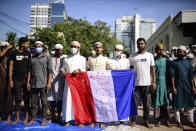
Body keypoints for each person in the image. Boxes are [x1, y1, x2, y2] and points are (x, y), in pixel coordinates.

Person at [129, 38, 156, 128]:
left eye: (142, 44)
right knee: (135, 104)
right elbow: (131, 70)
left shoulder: (149, 55)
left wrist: (154, 82)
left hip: (147, 83)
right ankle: (134, 121)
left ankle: (146, 121)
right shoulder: (133, 56)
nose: (140, 45)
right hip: (136, 84)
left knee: (146, 105)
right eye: (139, 44)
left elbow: (152, 70)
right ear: (136, 45)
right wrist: (131, 83)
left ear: (145, 44)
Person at [87, 42, 115, 128]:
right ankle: (93, 121)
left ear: (102, 49)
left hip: (102, 84)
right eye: (96, 47)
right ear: (94, 49)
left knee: (101, 103)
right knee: (92, 103)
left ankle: (101, 121)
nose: (98, 49)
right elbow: (87, 69)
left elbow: (113, 68)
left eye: (99, 47)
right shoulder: (90, 58)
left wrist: (125, 71)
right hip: (92, 84)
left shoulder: (105, 59)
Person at [60, 41, 86, 127]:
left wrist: (78, 69)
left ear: (79, 48)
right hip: (68, 82)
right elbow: (63, 68)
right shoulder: (66, 58)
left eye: (75, 46)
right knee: (68, 100)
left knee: (79, 100)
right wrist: (62, 70)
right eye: (71, 46)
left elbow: (84, 69)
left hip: (78, 82)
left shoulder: (82, 58)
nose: (73, 48)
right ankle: (68, 119)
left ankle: (80, 120)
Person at [27, 41, 53, 126]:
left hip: (44, 83)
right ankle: (33, 118)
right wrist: (28, 82)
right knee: (33, 102)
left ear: (42, 47)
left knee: (44, 102)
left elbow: (50, 71)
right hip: (34, 83)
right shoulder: (32, 58)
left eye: (39, 46)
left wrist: (49, 83)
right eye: (36, 46)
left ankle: (44, 119)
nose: (37, 48)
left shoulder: (47, 57)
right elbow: (29, 71)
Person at [170, 45, 196, 129]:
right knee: (177, 105)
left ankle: (191, 121)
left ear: (185, 53)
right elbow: (172, 76)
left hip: (187, 86)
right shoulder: (174, 63)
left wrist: (193, 87)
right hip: (177, 86)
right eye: (178, 51)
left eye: (180, 51)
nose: (179, 53)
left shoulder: (188, 63)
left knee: (190, 104)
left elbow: (191, 76)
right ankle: (178, 122)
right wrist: (173, 87)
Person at [9, 37, 31, 125]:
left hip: (26, 80)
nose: (28, 44)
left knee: (26, 99)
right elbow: (10, 67)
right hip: (16, 80)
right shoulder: (13, 53)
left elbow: (29, 68)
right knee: (17, 99)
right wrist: (10, 80)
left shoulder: (28, 53)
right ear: (22, 44)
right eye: (27, 43)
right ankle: (17, 118)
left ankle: (26, 118)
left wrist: (28, 82)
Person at [152, 43, 171, 127]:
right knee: (157, 102)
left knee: (166, 102)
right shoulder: (153, 60)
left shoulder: (166, 60)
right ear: (156, 50)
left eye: (162, 49)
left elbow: (170, 72)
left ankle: (167, 120)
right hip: (156, 84)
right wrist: (153, 83)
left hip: (165, 84)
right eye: (159, 49)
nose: (161, 51)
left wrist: (168, 57)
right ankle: (158, 120)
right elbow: (151, 73)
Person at [47, 44, 65, 123]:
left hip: (61, 82)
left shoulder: (63, 58)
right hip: (51, 81)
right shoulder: (50, 58)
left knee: (60, 99)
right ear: (56, 50)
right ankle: (53, 116)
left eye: (62, 50)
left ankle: (59, 117)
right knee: (52, 99)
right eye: (60, 50)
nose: (62, 52)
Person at [0, 42, 13, 124]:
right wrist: (7, 48)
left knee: (9, 98)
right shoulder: (1, 56)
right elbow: (1, 55)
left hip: (9, 80)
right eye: (4, 47)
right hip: (1, 80)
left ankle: (9, 117)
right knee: (0, 98)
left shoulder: (10, 56)